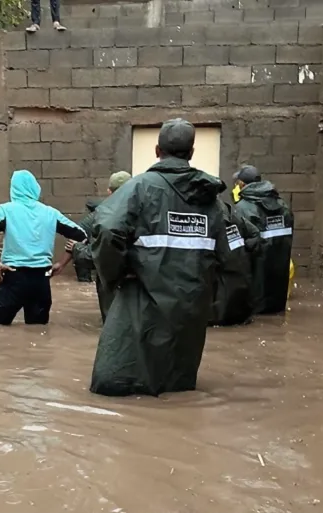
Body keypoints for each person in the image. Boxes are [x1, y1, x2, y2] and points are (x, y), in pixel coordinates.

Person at [89, 119, 233, 397]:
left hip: (144, 298)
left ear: (157, 150)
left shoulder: (140, 188)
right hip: (190, 305)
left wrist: (114, 274)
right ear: (191, 153)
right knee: (175, 385)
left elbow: (106, 228)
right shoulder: (211, 200)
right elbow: (227, 254)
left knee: (116, 383)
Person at [0, 169, 86, 325]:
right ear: (35, 188)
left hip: (13, 278)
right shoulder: (51, 213)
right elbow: (81, 235)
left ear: (14, 189)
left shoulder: (5, 210)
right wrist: (62, 263)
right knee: (37, 331)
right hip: (41, 280)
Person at [57, 170, 132, 323]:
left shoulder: (102, 215)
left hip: (110, 280)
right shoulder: (149, 212)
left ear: (109, 192)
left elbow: (99, 254)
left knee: (115, 325)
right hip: (141, 283)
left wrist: (64, 261)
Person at [232, 164, 294, 314]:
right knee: (276, 318)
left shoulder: (242, 208)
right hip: (278, 291)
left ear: (241, 184)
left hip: (255, 291)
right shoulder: (283, 205)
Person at [209, 198, 262, 326]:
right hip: (241, 276)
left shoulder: (210, 216)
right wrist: (243, 250)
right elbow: (255, 234)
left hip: (224, 278)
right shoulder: (232, 212)